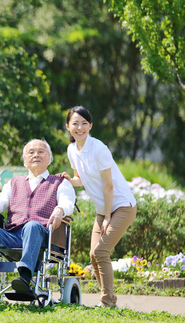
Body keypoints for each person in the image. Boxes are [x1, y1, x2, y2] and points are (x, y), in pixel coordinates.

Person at [0, 139, 76, 293]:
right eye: (31, 152)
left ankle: (24, 278)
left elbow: (68, 202)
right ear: (25, 160)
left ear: (49, 157)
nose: (36, 155)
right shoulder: (14, 183)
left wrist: (59, 210)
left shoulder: (60, 182)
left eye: (41, 152)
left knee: (32, 225)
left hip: (42, 235)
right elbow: (0, 200)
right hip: (13, 235)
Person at [59, 105, 136, 307]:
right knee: (94, 256)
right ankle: (109, 300)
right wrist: (68, 179)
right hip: (104, 210)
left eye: (84, 123)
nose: (80, 127)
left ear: (90, 126)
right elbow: (80, 179)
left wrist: (108, 217)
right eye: (75, 123)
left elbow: (109, 185)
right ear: (68, 127)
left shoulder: (99, 148)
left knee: (101, 252)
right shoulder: (71, 150)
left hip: (121, 206)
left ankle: (107, 302)